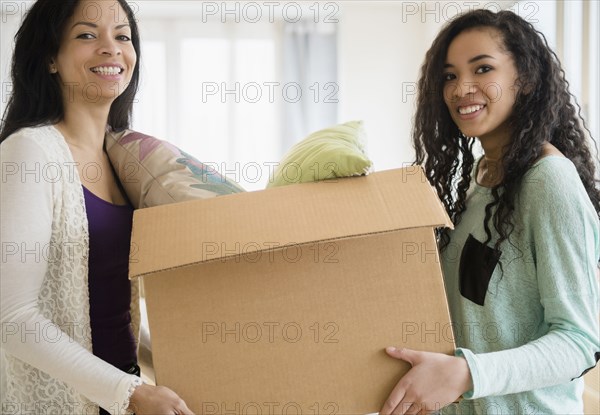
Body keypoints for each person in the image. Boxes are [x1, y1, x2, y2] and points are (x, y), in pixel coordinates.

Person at [380, 9, 600, 415]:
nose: (462, 88)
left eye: (482, 69)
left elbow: (578, 342)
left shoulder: (548, 181)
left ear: (527, 79)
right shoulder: (478, 176)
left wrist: (466, 374)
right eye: (449, 76)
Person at [0, 0, 193, 414]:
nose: (111, 48)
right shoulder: (30, 152)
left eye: (122, 36)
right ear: (50, 57)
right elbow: (12, 318)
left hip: (121, 394)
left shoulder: (124, 157)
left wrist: (168, 367)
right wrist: (131, 393)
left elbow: (113, 308)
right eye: (87, 35)